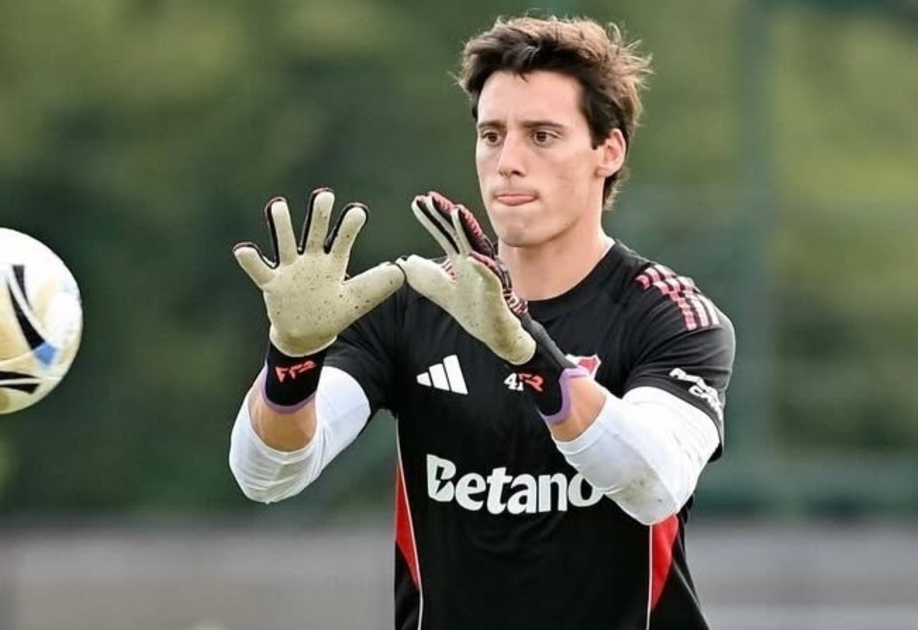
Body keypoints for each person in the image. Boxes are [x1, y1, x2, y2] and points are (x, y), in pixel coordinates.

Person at [229, 14, 735, 630]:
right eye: (492, 135)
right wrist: (292, 357)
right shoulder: (413, 303)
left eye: (542, 136)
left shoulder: (671, 314)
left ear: (608, 150)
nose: (508, 161)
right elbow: (266, 475)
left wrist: (530, 355)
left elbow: (654, 485)